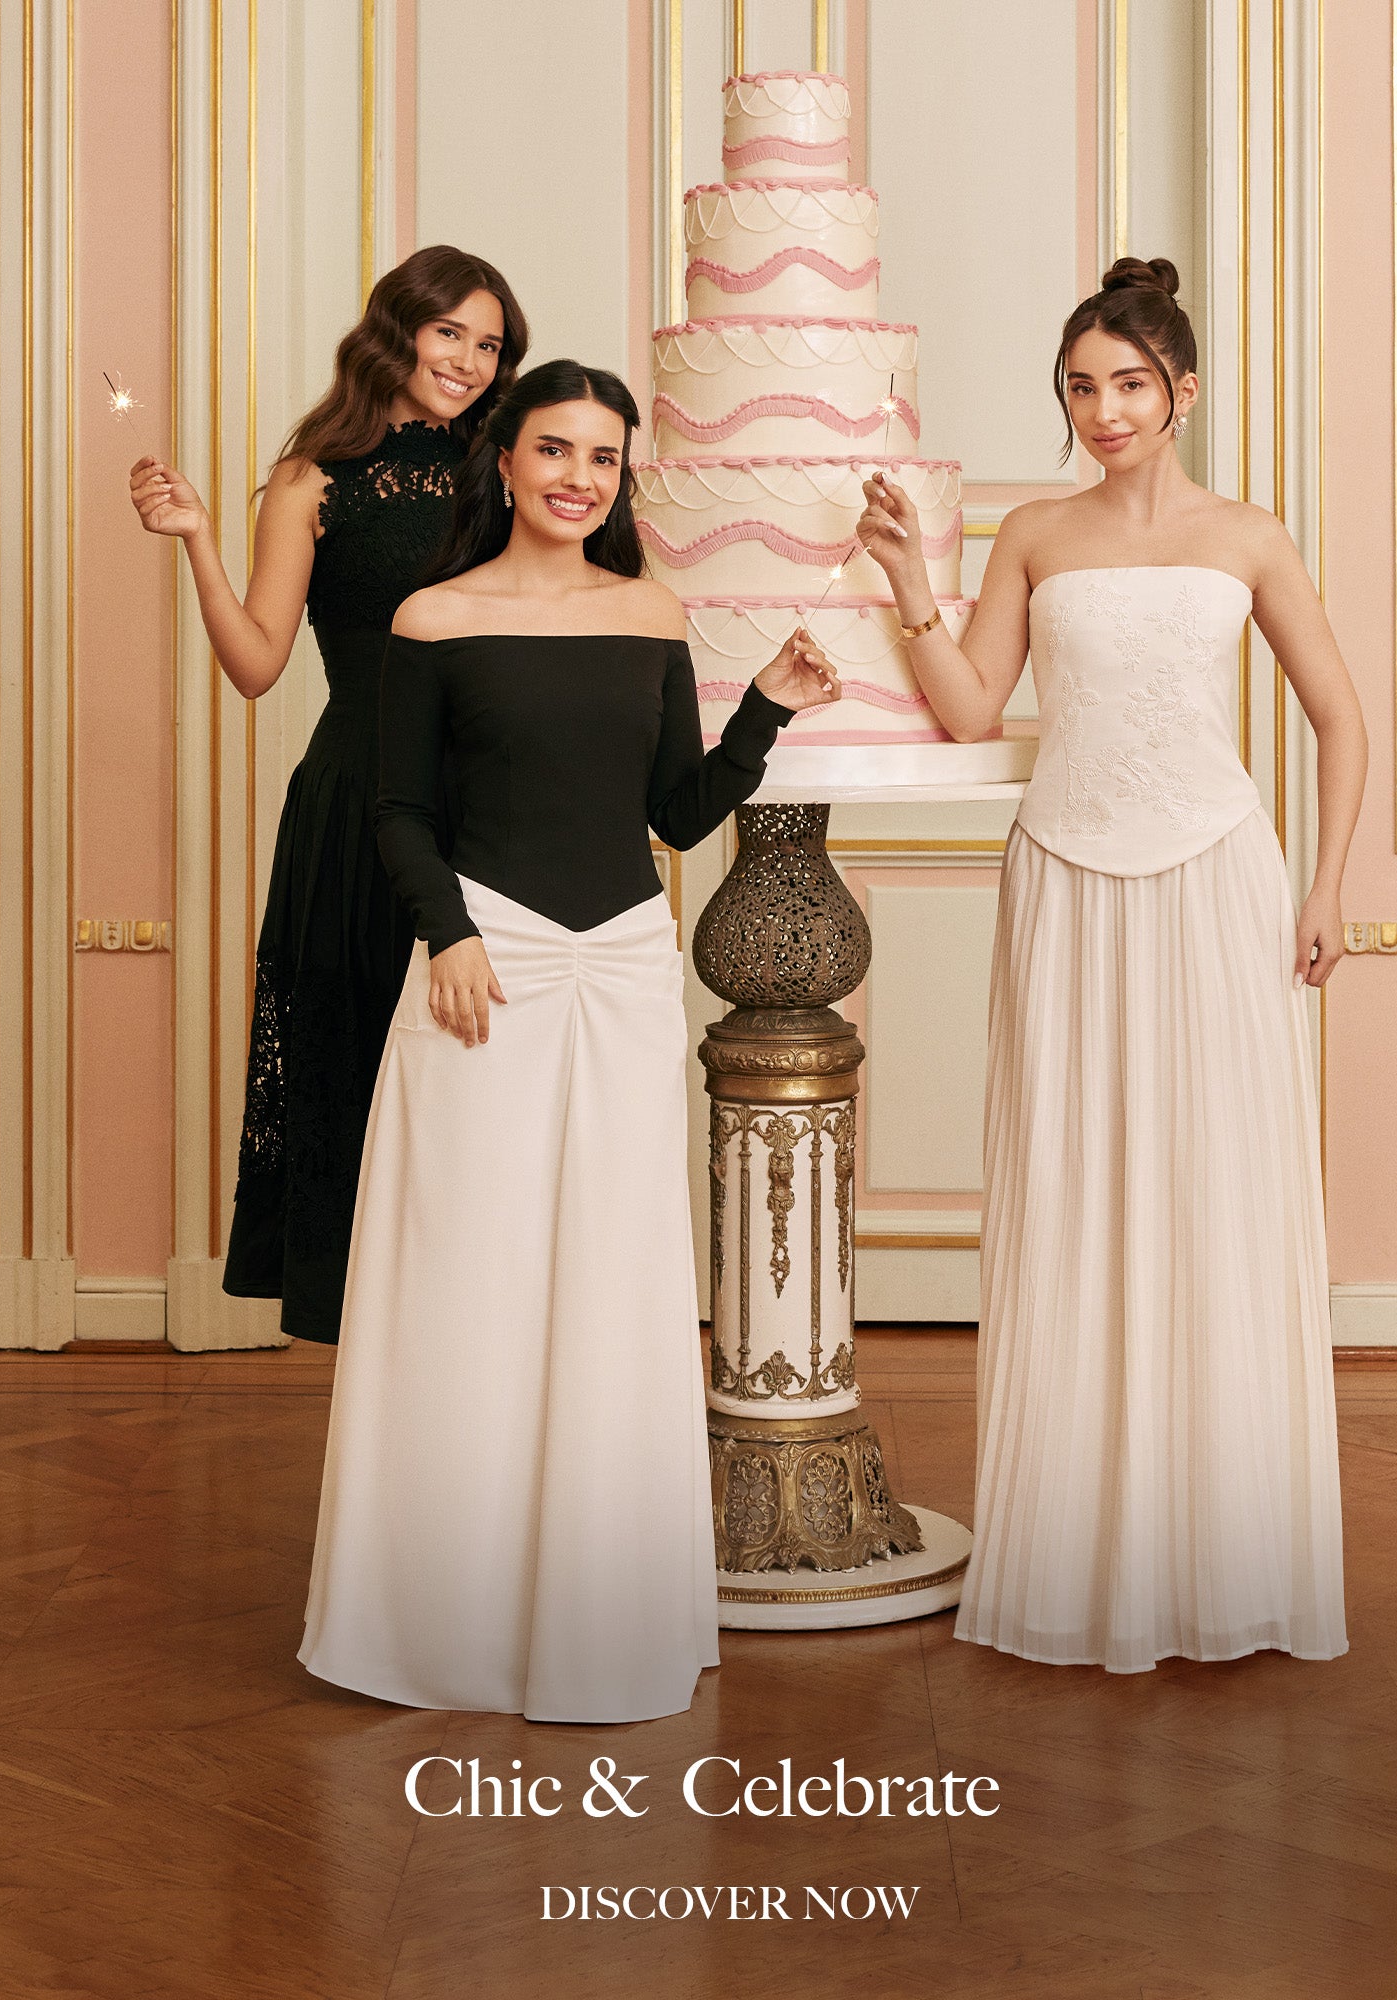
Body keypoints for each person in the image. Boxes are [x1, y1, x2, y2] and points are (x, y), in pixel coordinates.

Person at [297, 358, 838, 1720]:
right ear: (506, 460)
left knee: (614, 1275)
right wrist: (448, 936)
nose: (577, 478)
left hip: (626, 964)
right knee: (467, 1273)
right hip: (488, 962)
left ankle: (596, 1610)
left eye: (602, 457)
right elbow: (399, 809)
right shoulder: (433, 617)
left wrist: (765, 706)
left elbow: (677, 811)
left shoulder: (651, 611)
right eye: (553, 450)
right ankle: (444, 1620)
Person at [858, 256, 1365, 1673]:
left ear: (1181, 390)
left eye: (1130, 383)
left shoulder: (1248, 536)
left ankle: (1223, 1548)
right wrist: (908, 583)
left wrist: (1326, 885)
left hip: (1215, 879)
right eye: (1082, 387)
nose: (1105, 410)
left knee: (1216, 1183)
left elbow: (1340, 718)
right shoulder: (1033, 532)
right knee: (1074, 1180)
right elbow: (972, 710)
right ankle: (1087, 1545)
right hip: (1068, 879)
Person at [130, 246, 528, 1342]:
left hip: (491, 801)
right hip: (357, 803)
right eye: (450, 333)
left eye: (489, 344)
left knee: (488, 1068)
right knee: (358, 1061)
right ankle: (384, 1358)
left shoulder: (509, 470)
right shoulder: (311, 479)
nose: (469, 360)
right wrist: (199, 540)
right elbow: (257, 663)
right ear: (396, 331)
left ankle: (489, 1335)